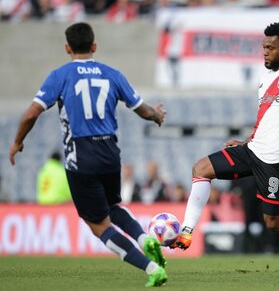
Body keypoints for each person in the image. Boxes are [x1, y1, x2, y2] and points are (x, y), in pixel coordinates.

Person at [172, 22, 279, 276]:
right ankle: (186, 231)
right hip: (252, 150)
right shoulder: (265, 79)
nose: (264, 52)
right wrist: (246, 141)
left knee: (274, 222)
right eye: (263, 47)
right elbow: (267, 118)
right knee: (201, 168)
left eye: (271, 48)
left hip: (278, 160)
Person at [9, 22, 168, 287]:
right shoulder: (112, 74)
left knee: (98, 225)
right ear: (94, 47)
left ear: (67, 48)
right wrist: (157, 116)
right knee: (113, 207)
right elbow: (143, 110)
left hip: (80, 156)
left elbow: (31, 114)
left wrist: (17, 142)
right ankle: (144, 238)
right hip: (110, 153)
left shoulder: (59, 75)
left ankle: (151, 268)